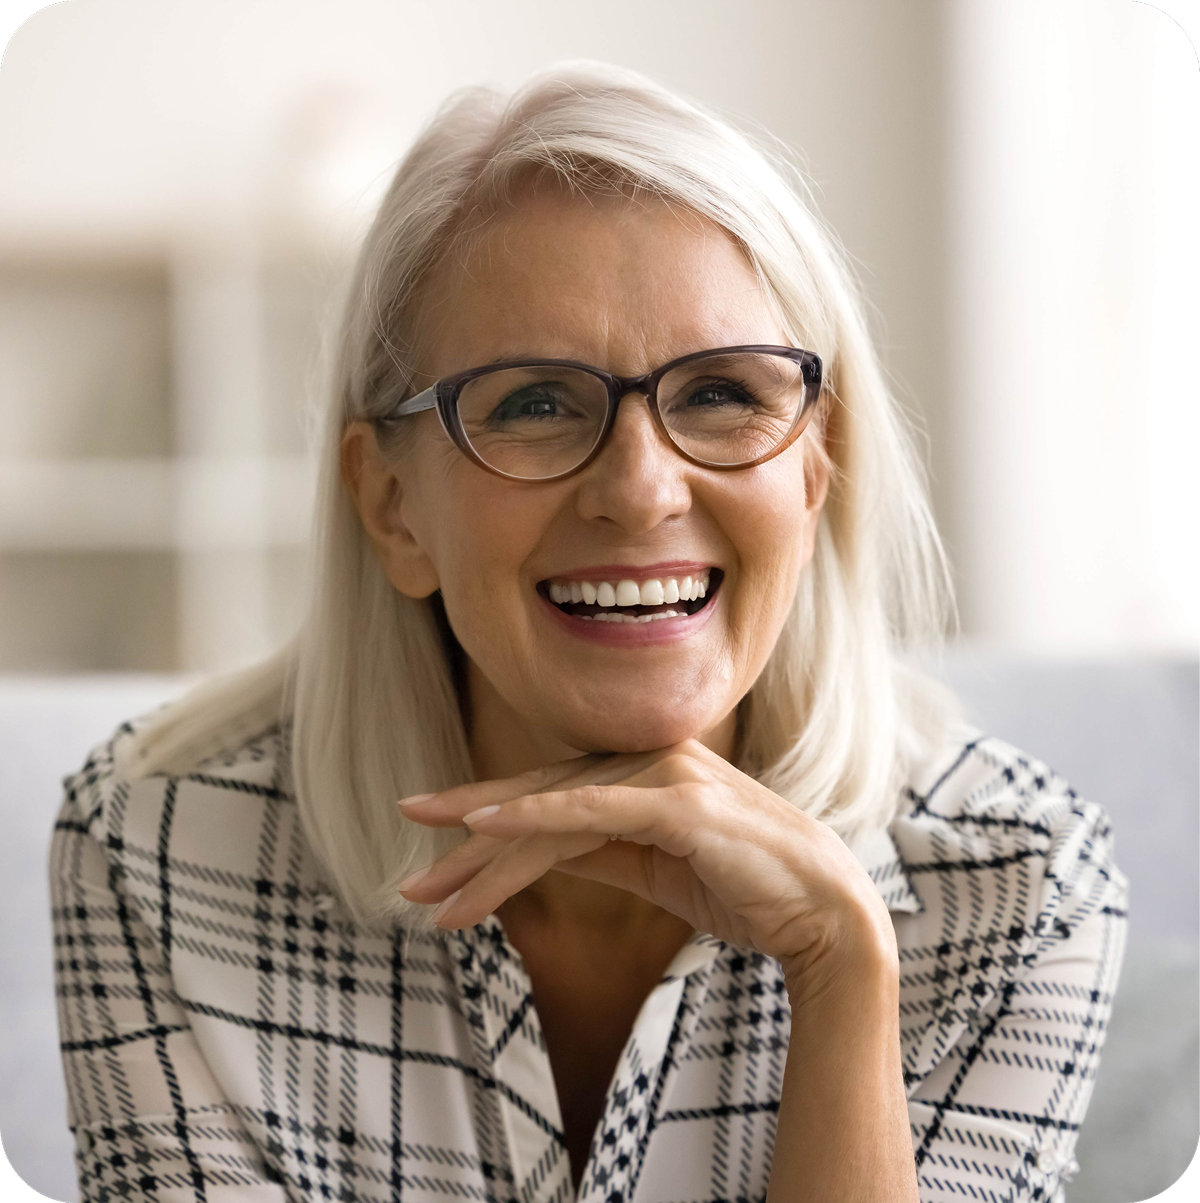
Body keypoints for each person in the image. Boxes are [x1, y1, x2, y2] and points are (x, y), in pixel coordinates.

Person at [49, 63, 1126, 1203]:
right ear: (393, 507)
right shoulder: (158, 848)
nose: (642, 491)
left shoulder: (1018, 881)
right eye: (534, 403)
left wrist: (841, 971)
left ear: (818, 468)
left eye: (721, 392)